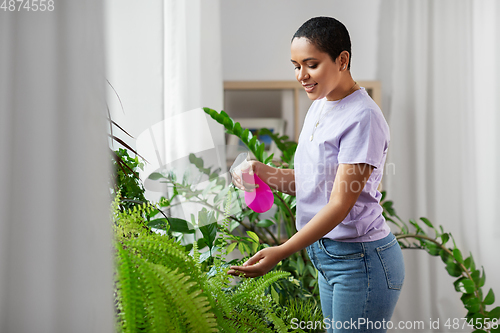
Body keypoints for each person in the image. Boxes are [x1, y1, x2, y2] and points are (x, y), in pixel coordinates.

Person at [228, 17, 404, 333]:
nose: (301, 76)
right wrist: (262, 172)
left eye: (311, 64)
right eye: (296, 66)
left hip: (360, 261)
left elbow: (339, 204)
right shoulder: (321, 104)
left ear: (342, 60)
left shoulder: (362, 118)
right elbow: (313, 183)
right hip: (327, 257)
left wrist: (282, 251)